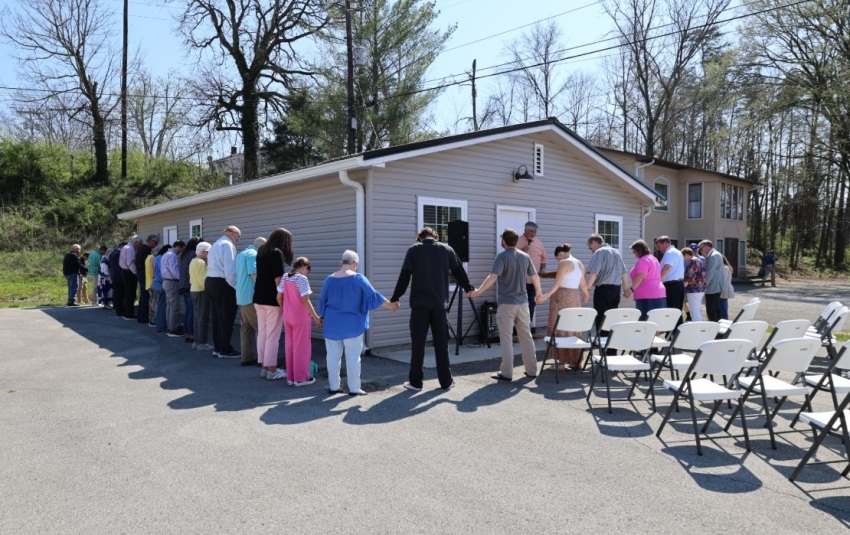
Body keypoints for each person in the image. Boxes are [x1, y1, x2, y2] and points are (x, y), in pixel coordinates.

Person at [390, 227, 471, 391]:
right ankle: (446, 381)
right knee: (441, 343)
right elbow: (459, 271)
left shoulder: (414, 250)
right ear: (436, 237)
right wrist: (469, 288)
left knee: (418, 344)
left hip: (420, 305)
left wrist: (395, 297)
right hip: (440, 305)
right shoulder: (447, 250)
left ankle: (415, 382)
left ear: (420, 238)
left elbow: (404, 276)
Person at [319, 250, 396, 395]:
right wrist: (391, 306)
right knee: (353, 357)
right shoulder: (358, 279)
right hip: (353, 324)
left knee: (332, 357)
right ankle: (354, 388)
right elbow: (374, 296)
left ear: (342, 262)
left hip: (332, 324)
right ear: (354, 263)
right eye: (357, 265)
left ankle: (334, 387)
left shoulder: (329, 279)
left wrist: (321, 318)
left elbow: (322, 302)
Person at [469, 228, 542, 381]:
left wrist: (478, 292)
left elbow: (493, 277)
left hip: (506, 304)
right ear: (515, 241)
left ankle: (507, 373)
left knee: (506, 338)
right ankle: (532, 370)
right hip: (523, 304)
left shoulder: (501, 257)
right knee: (526, 337)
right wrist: (539, 294)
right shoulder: (525, 257)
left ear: (504, 241)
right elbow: (535, 277)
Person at [536, 243, 590, 371]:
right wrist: (587, 294)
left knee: (559, 326)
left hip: (561, 296)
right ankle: (576, 362)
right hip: (574, 296)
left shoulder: (564, 263)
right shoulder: (579, 263)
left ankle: (560, 363)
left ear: (560, 253)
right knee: (573, 327)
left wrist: (545, 296)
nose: (558, 261)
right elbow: (582, 283)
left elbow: (557, 283)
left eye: (557, 258)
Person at [278, 257, 322, 386]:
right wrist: (316, 317)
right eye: (307, 270)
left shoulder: (285, 277)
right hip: (300, 317)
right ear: (304, 267)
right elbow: (306, 300)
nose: (306, 273)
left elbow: (278, 296)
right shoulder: (302, 279)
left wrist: (285, 309)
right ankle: (301, 378)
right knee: (301, 347)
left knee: (290, 346)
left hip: (288, 316)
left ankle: (290, 377)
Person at [254, 229, 292, 378]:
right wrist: (282, 298)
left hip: (258, 297)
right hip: (272, 299)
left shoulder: (262, 250)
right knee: (273, 336)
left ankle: (264, 367)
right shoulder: (276, 252)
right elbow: (278, 279)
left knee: (262, 333)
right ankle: (272, 370)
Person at [206, 226, 242, 358]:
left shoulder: (215, 244)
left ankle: (217, 347)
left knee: (216, 317)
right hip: (223, 284)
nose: (238, 240)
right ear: (233, 233)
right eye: (238, 236)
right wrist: (238, 288)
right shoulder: (228, 245)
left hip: (210, 281)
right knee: (226, 317)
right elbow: (230, 271)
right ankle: (225, 349)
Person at [585, 233, 630, 336]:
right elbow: (623, 272)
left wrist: (586, 289)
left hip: (603, 290)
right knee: (612, 318)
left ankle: (602, 344)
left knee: (602, 318)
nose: (590, 249)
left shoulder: (599, 252)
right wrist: (626, 288)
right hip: (616, 290)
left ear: (595, 242)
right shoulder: (616, 252)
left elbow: (594, 273)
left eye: (589, 246)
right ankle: (611, 347)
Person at [236, 236, 266, 367]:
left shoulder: (241, 254)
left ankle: (246, 357)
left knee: (246, 329)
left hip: (241, 297)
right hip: (251, 297)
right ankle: (263, 359)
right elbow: (254, 274)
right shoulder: (253, 254)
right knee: (260, 327)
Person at [516, 222, 547, 337]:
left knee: (531, 304)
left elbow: (544, 260)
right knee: (520, 305)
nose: (533, 234)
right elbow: (512, 259)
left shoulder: (539, 243)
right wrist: (523, 251)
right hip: (521, 280)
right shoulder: (518, 241)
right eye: (531, 231)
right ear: (525, 230)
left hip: (535, 281)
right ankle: (517, 331)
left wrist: (543, 270)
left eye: (535, 232)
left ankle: (526, 330)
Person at [625, 239, 666, 320]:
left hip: (647, 294)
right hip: (659, 292)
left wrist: (631, 289)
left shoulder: (643, 260)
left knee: (645, 321)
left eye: (634, 251)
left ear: (639, 251)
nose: (634, 254)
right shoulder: (654, 259)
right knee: (657, 320)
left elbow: (641, 275)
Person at [655, 236, 684, 324]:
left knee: (671, 311)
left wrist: (657, 280)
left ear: (665, 243)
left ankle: (672, 333)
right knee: (677, 310)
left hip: (671, 285)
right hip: (678, 284)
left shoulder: (669, 253)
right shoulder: (678, 252)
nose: (659, 249)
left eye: (659, 246)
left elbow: (667, 267)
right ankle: (676, 332)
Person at [190, 242, 213, 351]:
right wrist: (210, 290)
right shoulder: (201, 262)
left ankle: (196, 341)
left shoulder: (193, 261)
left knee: (197, 317)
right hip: (201, 290)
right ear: (203, 252)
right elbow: (202, 278)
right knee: (203, 317)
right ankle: (202, 343)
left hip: (194, 289)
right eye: (208, 252)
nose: (209, 255)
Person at [161, 240, 185, 337]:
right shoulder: (173, 256)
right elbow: (174, 270)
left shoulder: (166, 254)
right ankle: (173, 329)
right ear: (178, 247)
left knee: (169, 305)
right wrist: (183, 280)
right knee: (174, 306)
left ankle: (170, 326)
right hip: (172, 282)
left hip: (166, 281)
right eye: (182, 248)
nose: (182, 251)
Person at [134, 235, 159, 324]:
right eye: (155, 243)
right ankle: (144, 317)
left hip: (140, 273)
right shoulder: (146, 250)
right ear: (151, 241)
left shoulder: (140, 248)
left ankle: (141, 316)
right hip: (144, 274)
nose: (155, 246)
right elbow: (148, 265)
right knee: (145, 295)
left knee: (143, 295)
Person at [179, 237, 200, 343]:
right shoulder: (193, 254)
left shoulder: (184, 254)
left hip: (182, 285)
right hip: (190, 285)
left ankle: (187, 333)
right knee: (192, 310)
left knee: (188, 310)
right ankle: (191, 334)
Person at [699, 240, 724, 322]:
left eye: (701, 248)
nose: (700, 250)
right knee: (716, 309)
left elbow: (709, 273)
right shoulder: (715, 255)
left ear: (707, 246)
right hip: (715, 287)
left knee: (711, 310)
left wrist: (702, 287)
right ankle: (718, 331)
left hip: (712, 288)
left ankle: (715, 331)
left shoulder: (713, 256)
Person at [119, 236, 142, 319]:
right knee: (130, 293)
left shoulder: (125, 247)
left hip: (124, 271)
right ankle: (129, 313)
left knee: (127, 293)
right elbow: (130, 262)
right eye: (139, 244)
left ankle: (127, 312)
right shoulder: (130, 249)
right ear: (136, 242)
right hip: (129, 272)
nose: (139, 246)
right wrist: (136, 272)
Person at [681, 247, 706, 321]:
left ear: (686, 255)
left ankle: (697, 328)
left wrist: (682, 287)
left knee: (694, 311)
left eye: (682, 256)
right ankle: (699, 326)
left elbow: (690, 277)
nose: (683, 259)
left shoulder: (693, 262)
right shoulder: (698, 261)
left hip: (694, 290)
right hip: (699, 289)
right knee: (697, 310)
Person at [151, 245, 171, 332]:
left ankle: (158, 324)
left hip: (156, 282)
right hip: (161, 282)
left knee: (158, 304)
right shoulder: (161, 258)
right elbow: (162, 270)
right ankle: (161, 325)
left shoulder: (157, 257)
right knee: (162, 305)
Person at [110, 243, 126, 316]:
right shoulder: (117, 254)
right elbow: (117, 267)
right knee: (119, 294)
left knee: (117, 293)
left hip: (115, 276)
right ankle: (119, 309)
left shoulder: (114, 253)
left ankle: (117, 308)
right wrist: (122, 275)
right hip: (118, 277)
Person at [720, 255, 736, 320]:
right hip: (723, 288)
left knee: (723, 306)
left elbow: (722, 279)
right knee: (722, 306)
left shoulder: (724, 268)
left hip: (724, 289)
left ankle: (724, 320)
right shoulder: (724, 267)